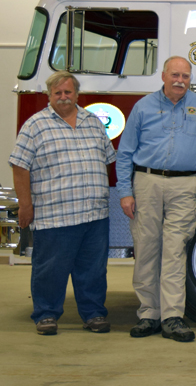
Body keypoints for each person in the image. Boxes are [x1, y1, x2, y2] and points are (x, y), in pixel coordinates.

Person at [116, 56, 196, 342]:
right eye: (175, 75)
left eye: (185, 76)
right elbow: (125, 152)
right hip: (147, 182)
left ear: (190, 79)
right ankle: (148, 314)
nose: (180, 80)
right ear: (163, 76)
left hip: (185, 185)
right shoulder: (143, 107)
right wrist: (125, 192)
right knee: (147, 249)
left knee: (175, 250)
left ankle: (173, 317)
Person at [10, 71, 116, 336]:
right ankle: (46, 314)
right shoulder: (35, 125)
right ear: (49, 96)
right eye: (57, 93)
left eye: (68, 92)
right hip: (55, 215)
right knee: (50, 269)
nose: (64, 97)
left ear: (77, 94)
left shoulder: (93, 122)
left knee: (93, 270)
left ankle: (93, 314)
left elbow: (106, 160)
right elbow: (20, 166)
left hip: (94, 214)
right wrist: (25, 205)